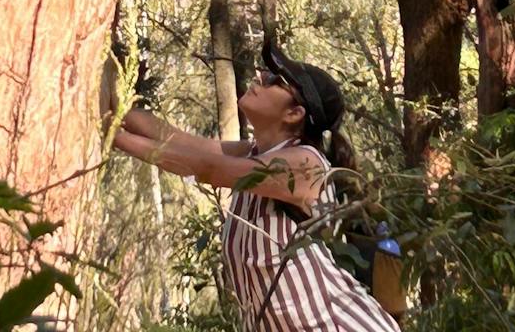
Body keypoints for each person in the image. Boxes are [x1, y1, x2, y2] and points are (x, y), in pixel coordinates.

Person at [110, 37, 401, 332]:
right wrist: (112, 104)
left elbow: (208, 168)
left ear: (294, 114)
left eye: (276, 80)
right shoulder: (253, 153)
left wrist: (112, 134)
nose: (261, 76)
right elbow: (175, 140)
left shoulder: (305, 164)